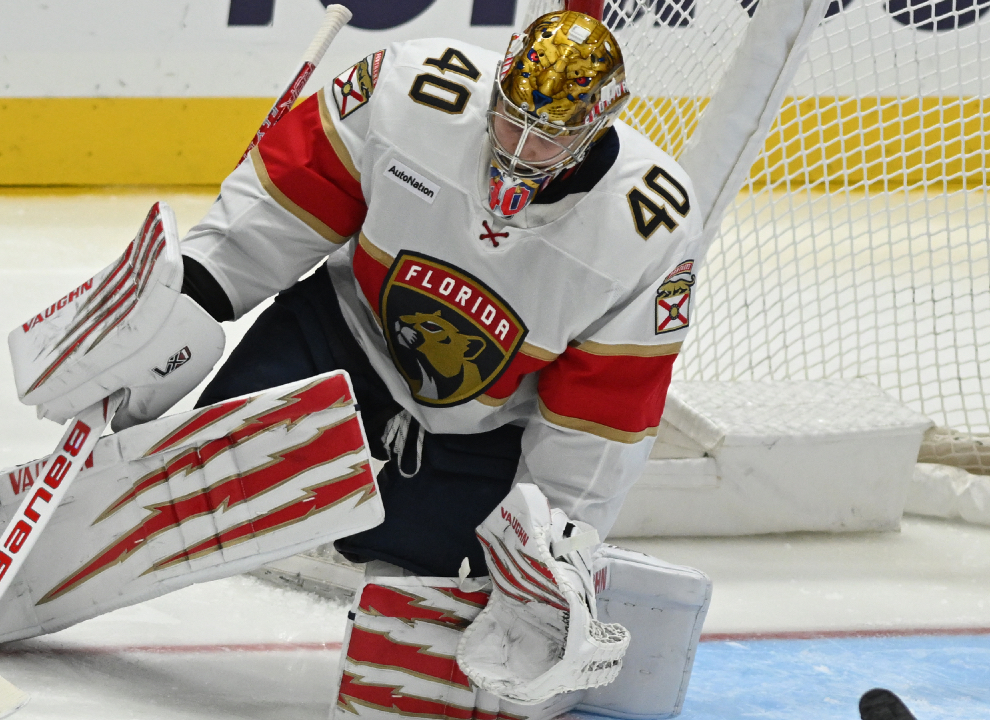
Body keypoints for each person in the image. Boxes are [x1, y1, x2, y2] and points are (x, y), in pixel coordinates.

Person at [176, 8, 703, 580]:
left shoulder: (649, 229)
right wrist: (191, 292)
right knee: (213, 466)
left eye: (549, 136)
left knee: (437, 572)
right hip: (346, 339)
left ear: (595, 129)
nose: (520, 148)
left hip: (484, 428)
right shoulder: (411, 90)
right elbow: (289, 200)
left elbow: (600, 413)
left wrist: (552, 544)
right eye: (511, 119)